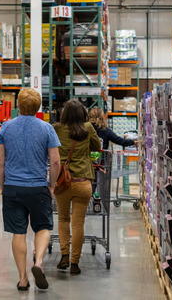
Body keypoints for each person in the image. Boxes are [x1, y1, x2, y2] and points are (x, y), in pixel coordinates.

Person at [0, 88, 61, 291]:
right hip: (38, 187)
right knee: (42, 228)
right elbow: (55, 161)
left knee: (18, 232)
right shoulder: (47, 128)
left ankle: (23, 278)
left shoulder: (6, 127)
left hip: (13, 187)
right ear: (38, 106)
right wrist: (52, 185)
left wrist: (3, 185)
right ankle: (39, 262)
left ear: (18, 105)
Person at [53, 100, 101, 275]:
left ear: (64, 114)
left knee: (63, 219)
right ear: (83, 114)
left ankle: (64, 255)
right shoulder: (88, 128)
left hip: (62, 183)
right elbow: (97, 146)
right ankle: (75, 263)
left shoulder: (57, 128)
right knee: (78, 223)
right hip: (83, 183)